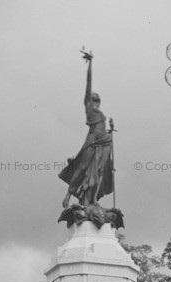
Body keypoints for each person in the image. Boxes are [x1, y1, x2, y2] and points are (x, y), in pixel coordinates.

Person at [59, 52, 113, 208]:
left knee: (101, 171)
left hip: (105, 142)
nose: (95, 97)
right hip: (93, 141)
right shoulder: (88, 107)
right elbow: (88, 82)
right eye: (93, 96)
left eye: (97, 97)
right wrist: (90, 63)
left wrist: (110, 130)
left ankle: (93, 199)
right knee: (82, 167)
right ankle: (69, 194)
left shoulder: (101, 112)